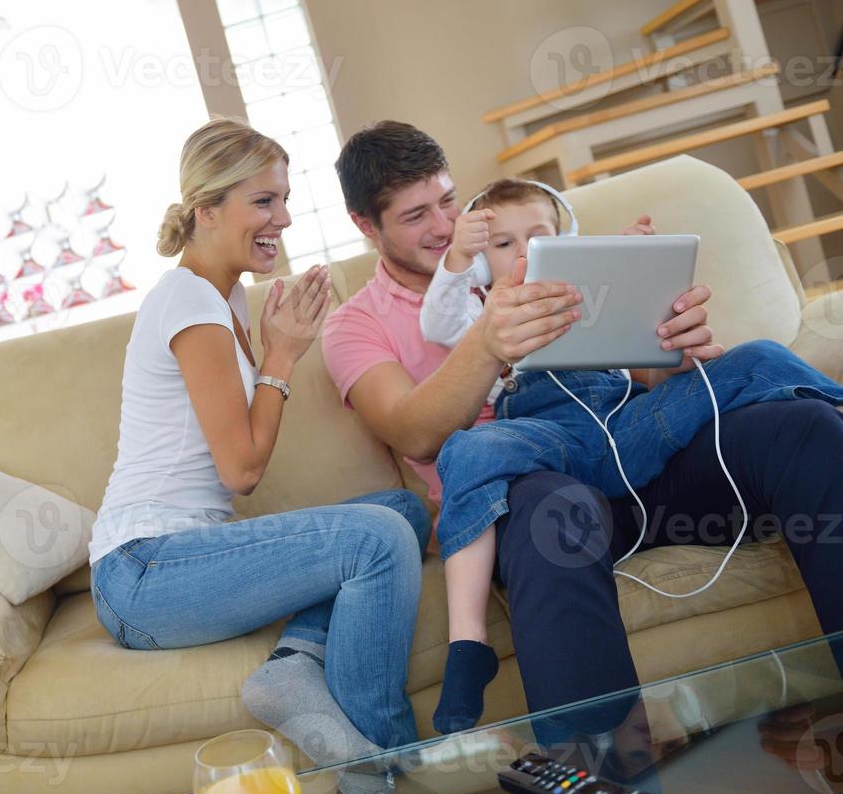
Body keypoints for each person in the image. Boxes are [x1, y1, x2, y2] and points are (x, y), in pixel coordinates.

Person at [320, 120, 843, 739]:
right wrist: (489, 343)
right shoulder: (356, 325)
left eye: (448, 201)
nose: (443, 227)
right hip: (540, 488)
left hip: (635, 452)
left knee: (803, 427)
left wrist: (668, 350)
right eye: (414, 216)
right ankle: (605, 792)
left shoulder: (543, 260)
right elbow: (414, 434)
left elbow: (630, 382)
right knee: (554, 511)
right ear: (365, 225)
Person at [87, 117, 431, 792]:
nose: (283, 218)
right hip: (143, 573)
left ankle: (293, 664)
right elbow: (241, 472)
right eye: (263, 202)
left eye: (284, 198)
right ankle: (384, 774)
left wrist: (273, 346)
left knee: (399, 511)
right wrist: (280, 356)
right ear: (206, 211)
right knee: (379, 541)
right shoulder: (191, 303)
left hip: (175, 558)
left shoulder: (222, 297)